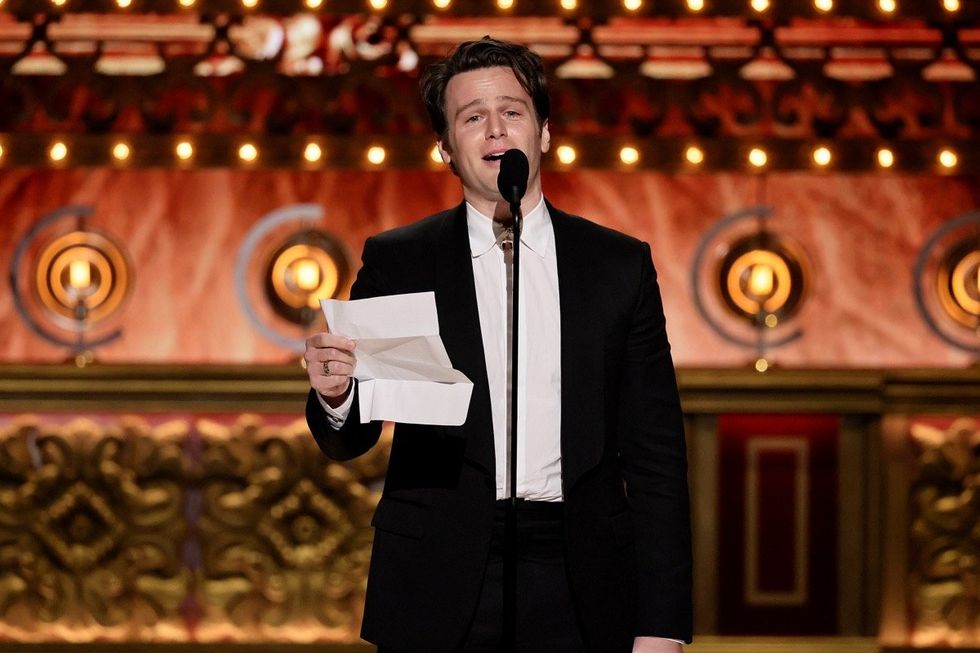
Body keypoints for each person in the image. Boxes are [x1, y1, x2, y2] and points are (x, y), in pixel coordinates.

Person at [305, 37, 692, 653]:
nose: (495, 129)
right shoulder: (400, 261)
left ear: (543, 133)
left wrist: (663, 624)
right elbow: (351, 436)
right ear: (447, 149)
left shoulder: (617, 266)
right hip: (441, 571)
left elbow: (657, 458)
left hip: (581, 572)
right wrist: (335, 395)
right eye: (472, 117)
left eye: (512, 111)